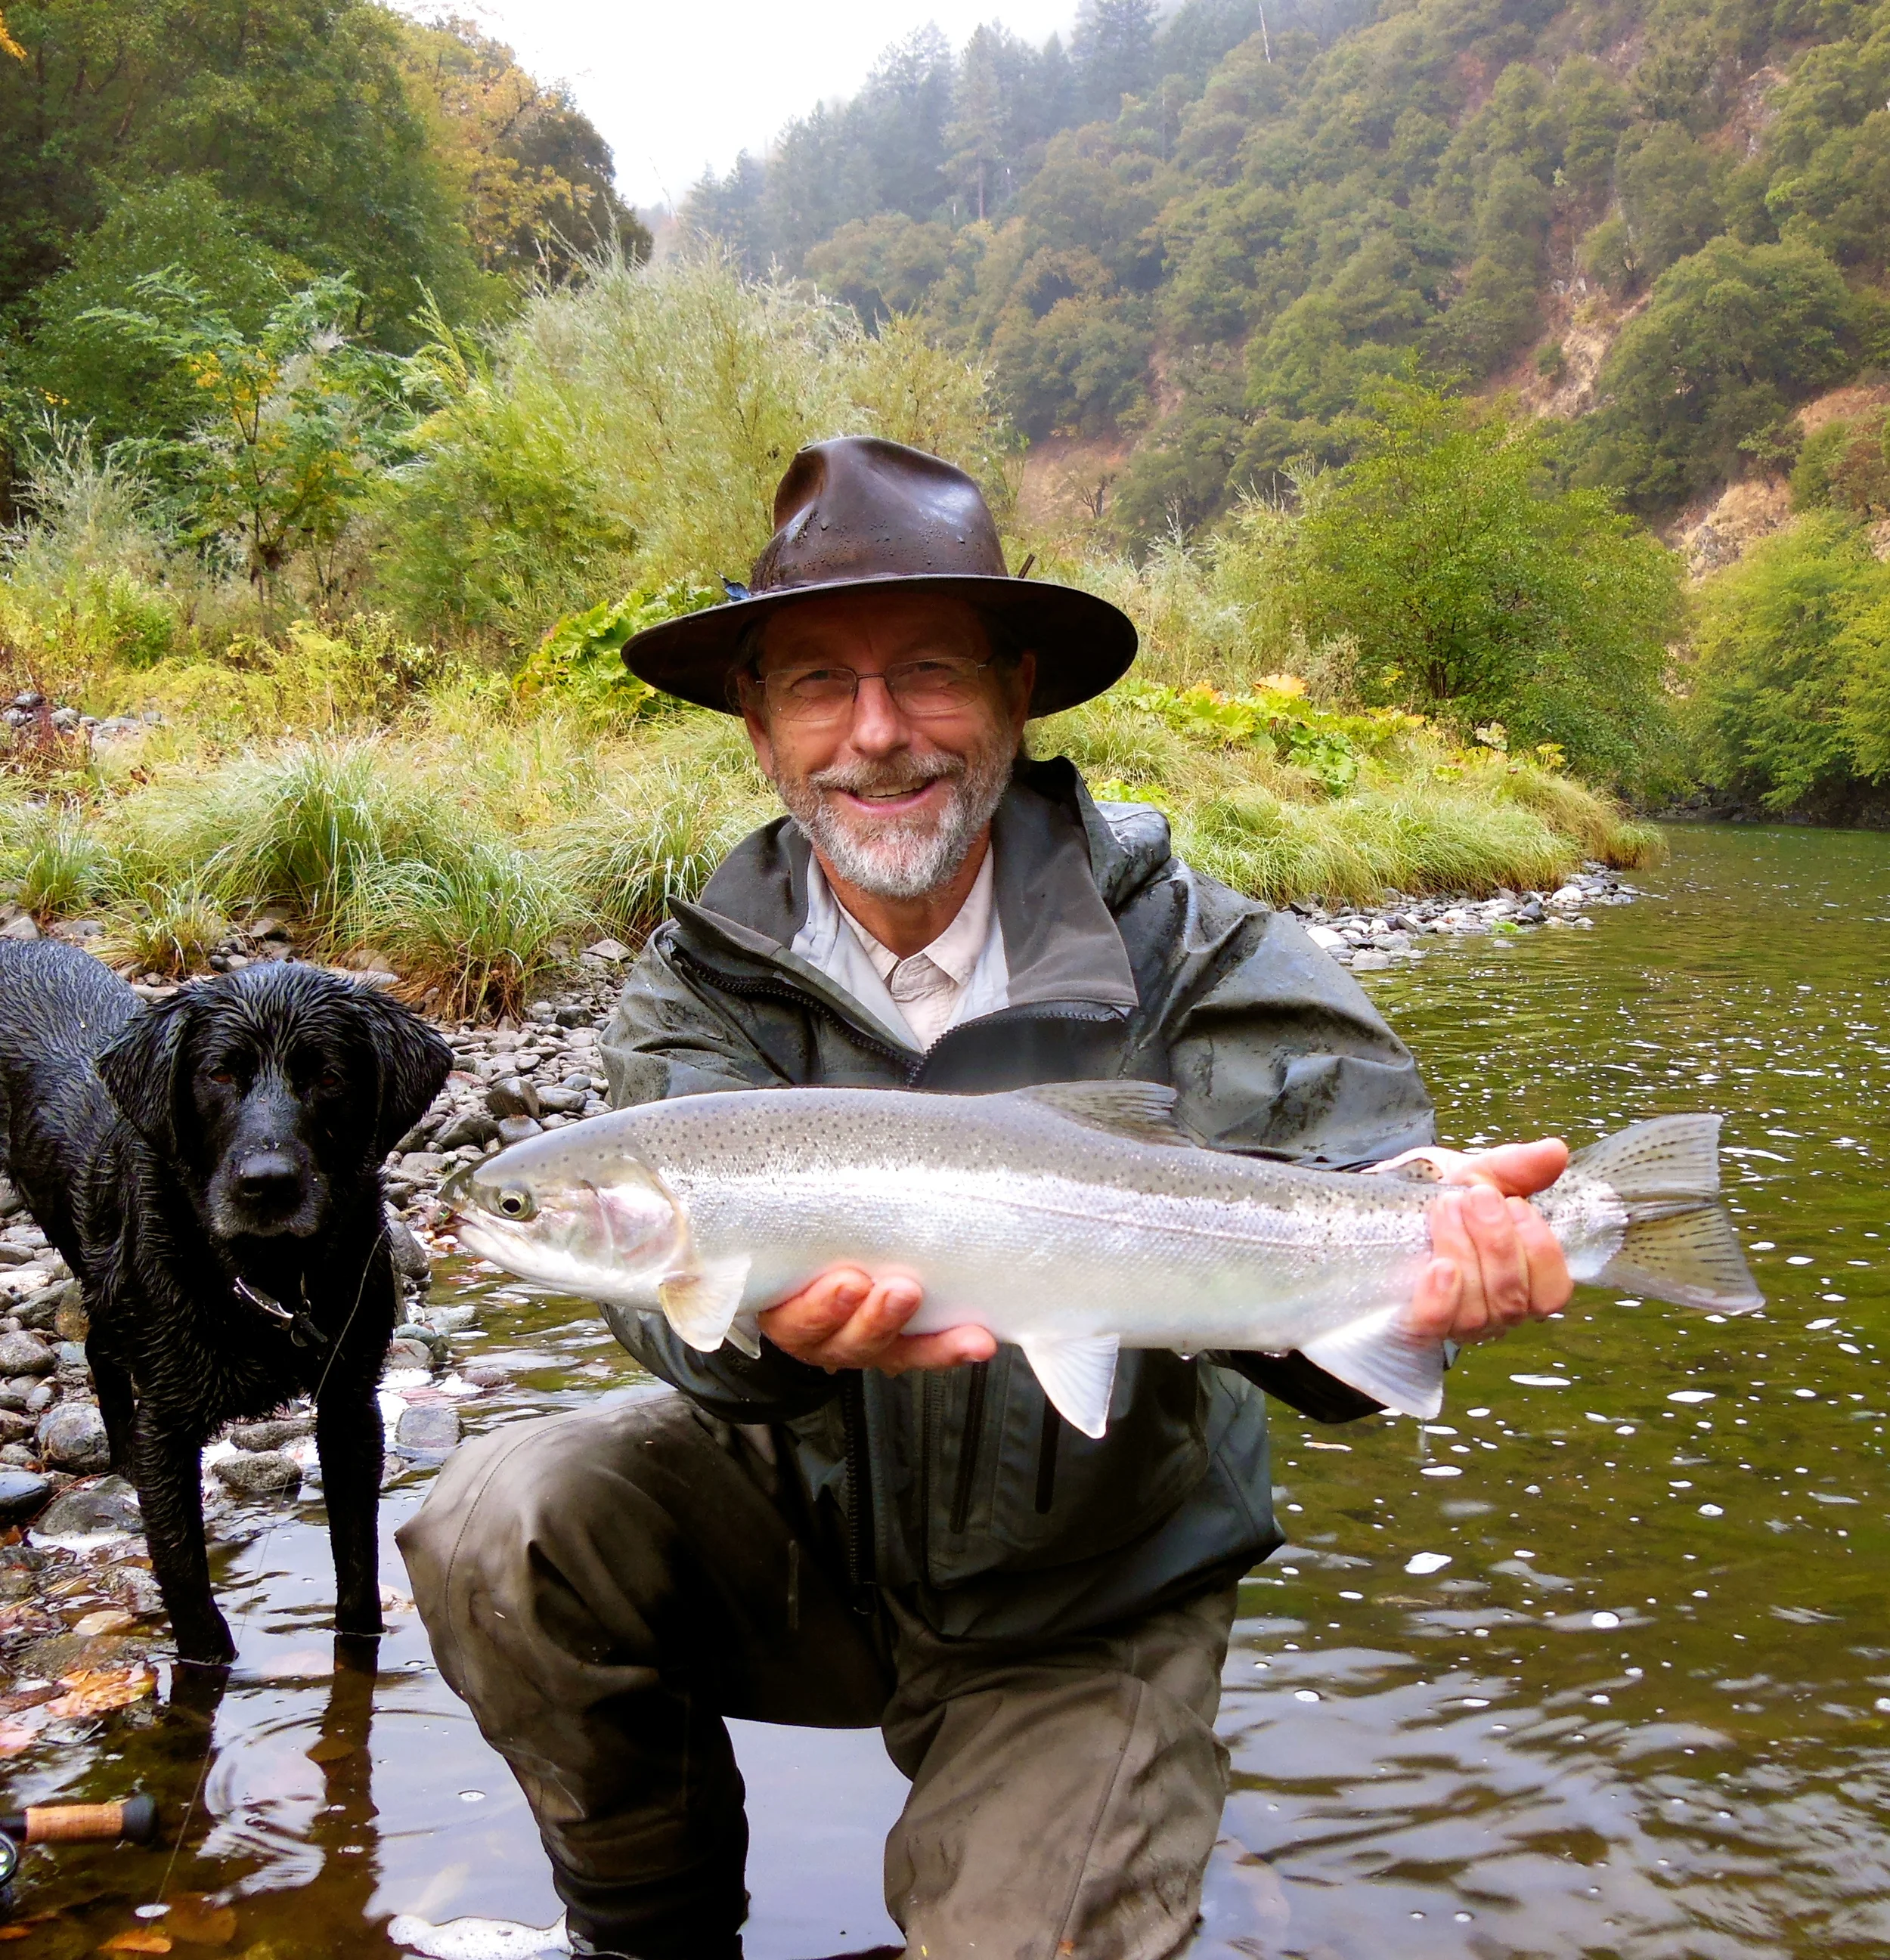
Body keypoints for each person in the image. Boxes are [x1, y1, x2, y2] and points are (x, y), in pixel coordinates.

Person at [399, 437, 1573, 1960]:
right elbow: (671, 1321)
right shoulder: (699, 980)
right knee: (500, 1514)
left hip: (1090, 1592)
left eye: (929, 675)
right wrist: (765, 1340)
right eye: (818, 682)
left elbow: (1349, 1184)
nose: (875, 736)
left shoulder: (1193, 952)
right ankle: (650, 1935)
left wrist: (1421, 1232)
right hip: (804, 1541)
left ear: (1018, 692)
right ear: (757, 725)